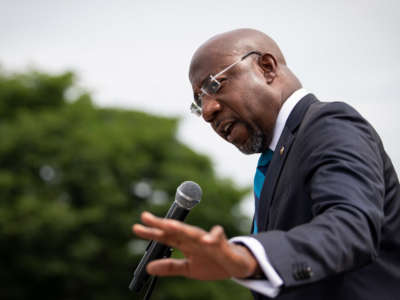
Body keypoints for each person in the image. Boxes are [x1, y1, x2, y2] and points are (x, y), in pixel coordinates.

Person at [133, 29, 400, 299]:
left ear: (267, 68)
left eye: (214, 85)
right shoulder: (277, 159)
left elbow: (351, 227)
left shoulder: (329, 124)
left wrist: (248, 256)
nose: (207, 111)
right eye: (198, 101)